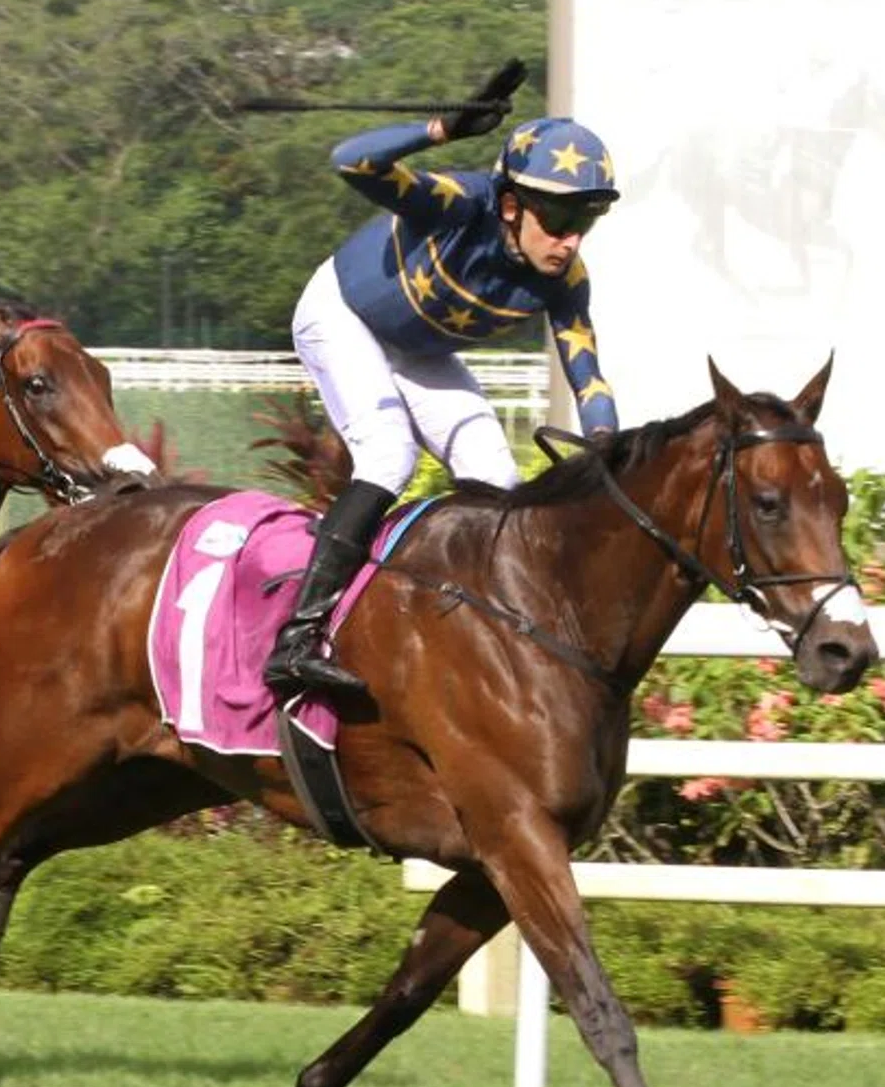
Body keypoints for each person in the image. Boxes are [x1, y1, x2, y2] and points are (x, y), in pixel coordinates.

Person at [265, 58, 624, 698]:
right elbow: (353, 160)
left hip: (420, 350)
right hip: (342, 315)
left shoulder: (566, 279)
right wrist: (441, 129)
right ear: (512, 205)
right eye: (560, 220)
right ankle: (296, 637)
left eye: (585, 222)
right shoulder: (464, 205)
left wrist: (606, 441)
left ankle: (478, 639)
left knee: (498, 480)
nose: (570, 241)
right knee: (388, 452)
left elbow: (585, 370)